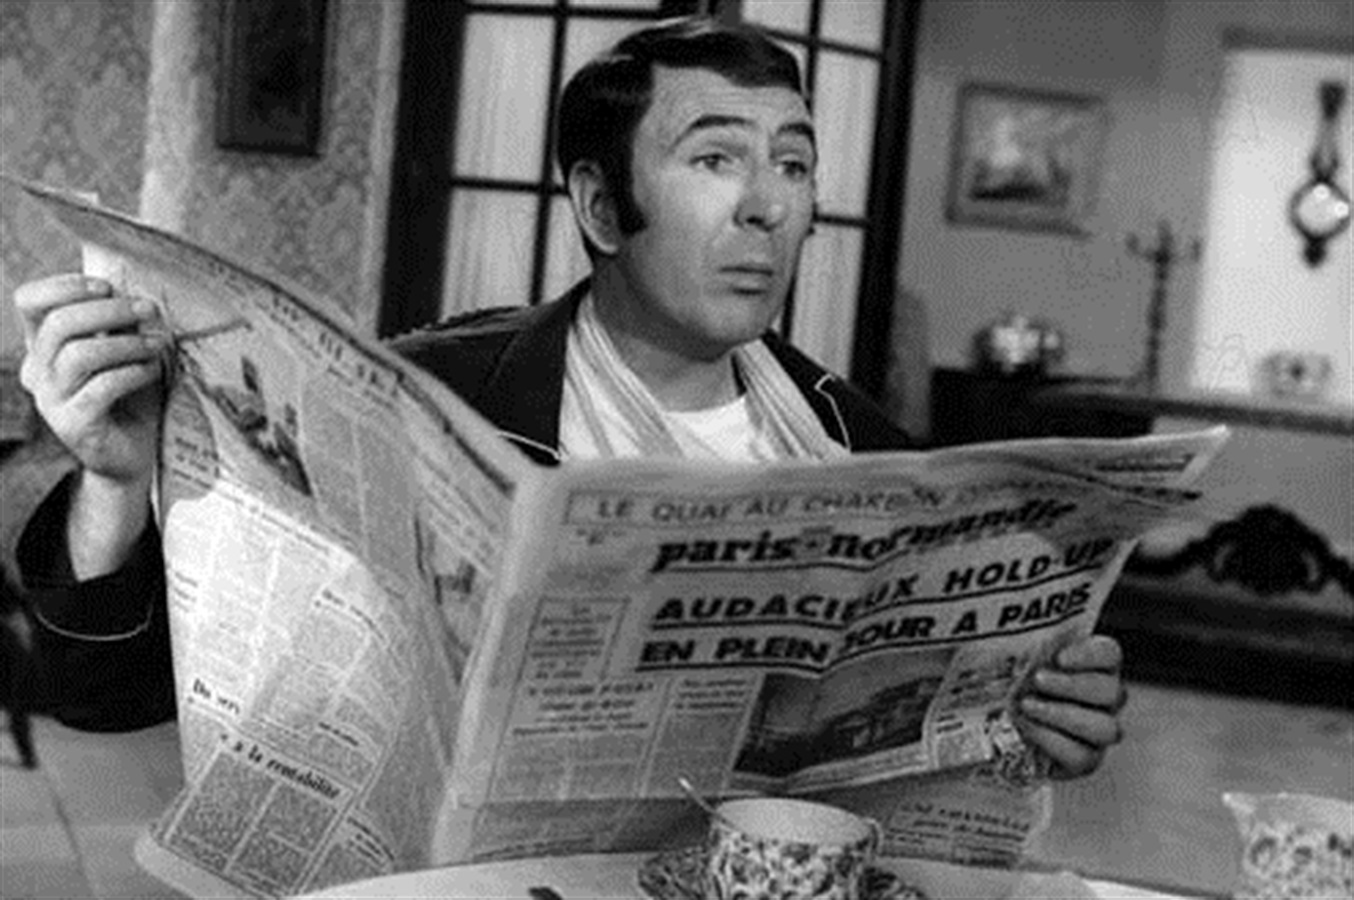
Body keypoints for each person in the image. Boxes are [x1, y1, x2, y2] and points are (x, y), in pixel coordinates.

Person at [7, 16, 1125, 773]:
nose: (771, 207)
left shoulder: (858, 445)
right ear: (599, 206)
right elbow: (108, 697)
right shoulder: (433, 399)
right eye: (716, 159)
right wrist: (116, 484)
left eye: (793, 163)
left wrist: (1041, 715)